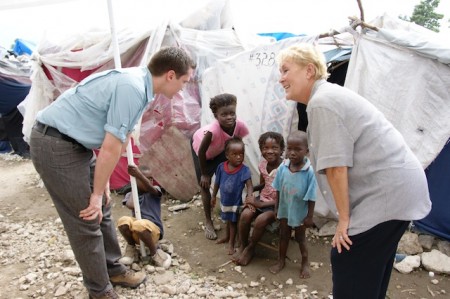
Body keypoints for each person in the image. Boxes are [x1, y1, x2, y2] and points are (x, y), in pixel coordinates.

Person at [29, 46, 195, 299]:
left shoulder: (140, 85)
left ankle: (114, 269)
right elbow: (110, 148)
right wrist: (94, 193)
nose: (183, 88)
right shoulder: (133, 88)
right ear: (170, 75)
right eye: (184, 81)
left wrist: (101, 186)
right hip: (56, 145)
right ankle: (99, 290)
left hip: (76, 144)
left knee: (103, 207)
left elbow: (115, 134)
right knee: (87, 217)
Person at [277, 43, 431, 298]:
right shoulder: (326, 97)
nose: (280, 78)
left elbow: (336, 166)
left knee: (348, 256)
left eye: (285, 70)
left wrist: (345, 221)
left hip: (388, 194)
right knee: (370, 264)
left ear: (309, 70)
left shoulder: (322, 102)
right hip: (399, 191)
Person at [191, 93, 249, 240]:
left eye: (232, 113)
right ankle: (209, 221)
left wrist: (237, 166)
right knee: (205, 185)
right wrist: (205, 174)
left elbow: (237, 145)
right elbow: (202, 151)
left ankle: (230, 210)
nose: (229, 117)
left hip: (221, 150)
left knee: (231, 177)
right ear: (216, 115)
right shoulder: (213, 131)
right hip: (203, 154)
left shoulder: (239, 125)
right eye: (224, 114)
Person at [268, 131, 317, 278]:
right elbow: (277, 188)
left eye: (298, 149)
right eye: (290, 149)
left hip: (300, 212)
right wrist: (276, 207)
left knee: (300, 238)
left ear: (307, 151)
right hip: (284, 209)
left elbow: (312, 197)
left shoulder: (309, 172)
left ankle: (305, 263)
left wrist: (309, 216)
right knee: (284, 235)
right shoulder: (283, 168)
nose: (293, 153)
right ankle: (281, 261)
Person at [233, 131, 285, 266]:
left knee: (260, 220)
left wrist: (259, 205)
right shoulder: (263, 164)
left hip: (277, 205)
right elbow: (264, 184)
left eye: (274, 148)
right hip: (263, 198)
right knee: (245, 215)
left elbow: (286, 197)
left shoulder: (285, 168)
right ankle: (243, 246)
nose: (270, 151)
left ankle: (251, 248)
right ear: (261, 150)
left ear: (282, 150)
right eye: (265, 148)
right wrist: (251, 194)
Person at [117, 165, 171, 269]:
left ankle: (155, 253)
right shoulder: (131, 194)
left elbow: (151, 188)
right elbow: (131, 205)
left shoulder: (155, 190)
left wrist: (140, 176)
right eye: (146, 178)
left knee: (139, 224)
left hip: (153, 232)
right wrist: (135, 186)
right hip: (137, 232)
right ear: (135, 180)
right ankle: (132, 249)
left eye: (151, 178)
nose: (149, 181)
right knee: (123, 221)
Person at [211, 136, 253, 254]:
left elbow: (249, 185)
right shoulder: (221, 167)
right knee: (227, 220)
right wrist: (213, 196)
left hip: (235, 203)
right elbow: (217, 183)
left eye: (241, 154)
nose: (239, 157)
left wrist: (249, 197)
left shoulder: (244, 170)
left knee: (233, 222)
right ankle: (226, 237)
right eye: (235, 154)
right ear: (227, 155)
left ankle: (231, 243)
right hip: (224, 201)